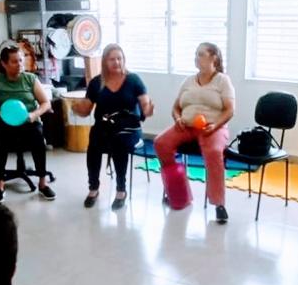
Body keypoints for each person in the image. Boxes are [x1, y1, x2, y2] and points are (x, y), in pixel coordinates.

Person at [155, 42, 236, 224]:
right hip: (186, 125)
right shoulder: (188, 81)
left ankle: (219, 204)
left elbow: (230, 110)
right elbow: (176, 107)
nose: (196, 58)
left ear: (213, 57)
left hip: (213, 127)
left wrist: (215, 125)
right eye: (195, 54)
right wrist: (177, 119)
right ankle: (179, 193)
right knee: (160, 143)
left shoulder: (222, 80)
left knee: (214, 152)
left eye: (200, 54)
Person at [72, 44, 153, 209]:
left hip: (129, 128)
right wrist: (77, 108)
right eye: (112, 59)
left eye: (119, 58)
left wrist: (148, 109)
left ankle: (121, 189)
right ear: (105, 62)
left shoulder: (134, 80)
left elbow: (145, 105)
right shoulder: (96, 83)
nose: (116, 62)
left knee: (119, 142)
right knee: (94, 142)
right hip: (104, 127)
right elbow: (86, 110)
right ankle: (93, 188)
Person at [0, 44, 56, 202]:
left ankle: (43, 183)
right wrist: (2, 115)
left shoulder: (30, 79)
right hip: (5, 124)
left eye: (21, 60)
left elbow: (46, 103)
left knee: (38, 138)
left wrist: (34, 114)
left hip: (28, 123)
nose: (20, 65)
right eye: (15, 61)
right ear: (4, 64)